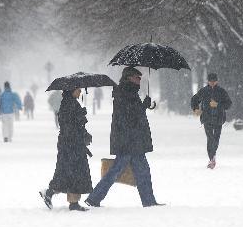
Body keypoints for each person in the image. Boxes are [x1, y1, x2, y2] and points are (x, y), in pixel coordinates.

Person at [85, 66, 163, 208]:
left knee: (141, 172)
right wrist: (142, 107)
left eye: (140, 78)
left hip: (134, 141)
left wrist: (144, 106)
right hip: (127, 141)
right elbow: (128, 116)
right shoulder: (123, 93)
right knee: (116, 172)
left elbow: (134, 114)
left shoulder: (130, 92)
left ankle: (149, 201)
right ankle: (93, 199)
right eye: (137, 77)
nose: (139, 80)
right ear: (129, 78)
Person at [40, 88, 93, 212]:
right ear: (71, 91)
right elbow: (68, 125)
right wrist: (80, 118)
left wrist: (83, 131)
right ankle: (51, 192)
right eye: (78, 90)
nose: (80, 92)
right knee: (69, 171)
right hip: (70, 144)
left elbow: (76, 125)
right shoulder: (68, 104)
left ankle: (72, 201)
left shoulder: (72, 102)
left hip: (73, 143)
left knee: (72, 172)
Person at [191, 72, 232, 169]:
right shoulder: (204, 91)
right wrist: (196, 109)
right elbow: (194, 99)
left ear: (217, 81)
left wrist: (218, 105)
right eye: (210, 81)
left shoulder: (221, 91)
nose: (212, 83)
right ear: (208, 81)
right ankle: (211, 159)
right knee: (210, 139)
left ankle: (213, 156)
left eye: (214, 81)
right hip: (207, 118)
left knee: (216, 139)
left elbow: (229, 104)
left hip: (219, 118)